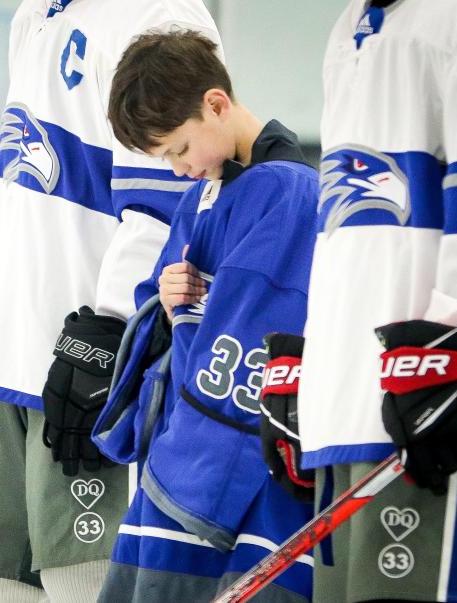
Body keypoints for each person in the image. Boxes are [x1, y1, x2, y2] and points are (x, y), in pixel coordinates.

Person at [0, 1, 220, 600]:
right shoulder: (33, 14)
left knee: (84, 579)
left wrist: (114, 329)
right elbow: (26, 177)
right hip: (5, 355)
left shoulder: (157, 11)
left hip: (83, 360)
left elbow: (172, 193)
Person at [91, 30, 319, 602]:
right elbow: (169, 318)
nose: (177, 170)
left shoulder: (290, 194)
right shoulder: (204, 195)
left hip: (224, 473)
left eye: (179, 149)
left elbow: (256, 343)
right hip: (181, 460)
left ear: (216, 104)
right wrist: (167, 306)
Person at [292, 1, 457, 601]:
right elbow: (343, 225)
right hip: (341, 407)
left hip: (425, 396)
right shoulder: (346, 26)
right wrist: (310, 361)